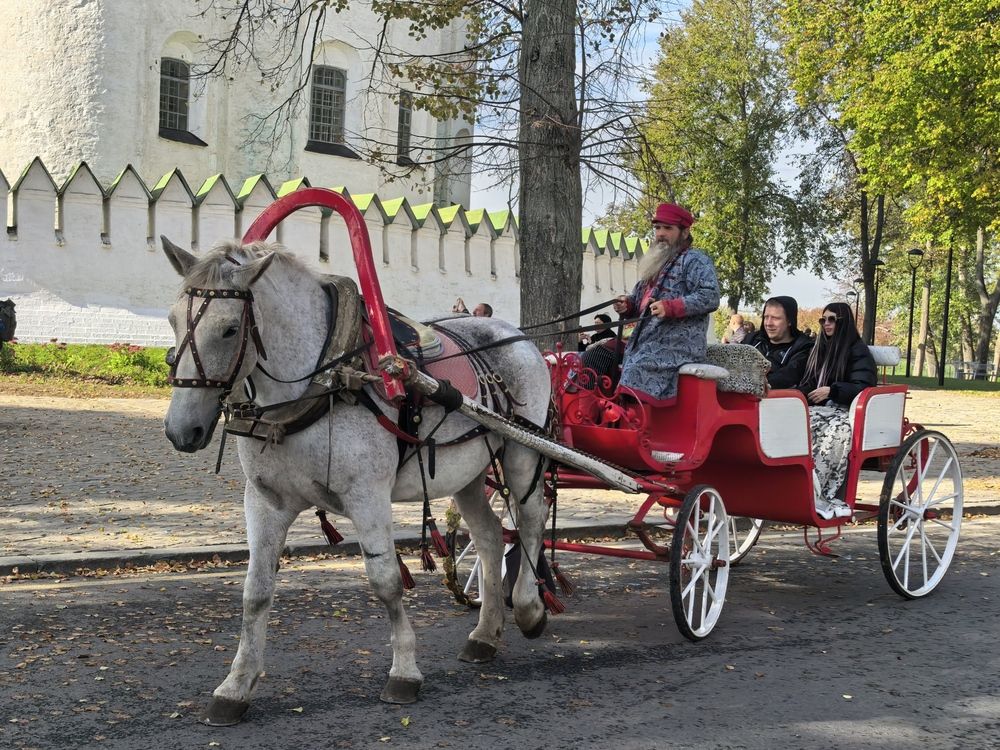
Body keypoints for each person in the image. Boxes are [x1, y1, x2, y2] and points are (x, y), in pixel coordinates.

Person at [610, 202, 720, 401]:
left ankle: (629, 422)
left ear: (684, 232)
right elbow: (638, 301)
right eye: (657, 228)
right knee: (594, 356)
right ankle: (584, 415)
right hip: (644, 342)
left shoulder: (695, 260)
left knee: (636, 368)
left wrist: (671, 307)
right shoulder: (656, 262)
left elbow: (710, 296)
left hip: (678, 346)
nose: (660, 233)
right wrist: (627, 305)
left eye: (667, 228)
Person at [797, 302, 877, 519]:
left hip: (846, 410)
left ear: (843, 322)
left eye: (832, 319)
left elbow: (863, 385)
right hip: (822, 408)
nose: (827, 324)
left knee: (838, 431)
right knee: (800, 422)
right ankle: (796, 483)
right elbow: (809, 383)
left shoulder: (857, 350)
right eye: (823, 320)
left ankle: (820, 490)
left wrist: (832, 391)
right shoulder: (819, 349)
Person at [743, 296, 813, 389]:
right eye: (766, 317)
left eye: (775, 318)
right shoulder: (752, 339)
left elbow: (788, 376)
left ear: (789, 321)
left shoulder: (803, 347)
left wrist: (754, 382)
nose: (768, 323)